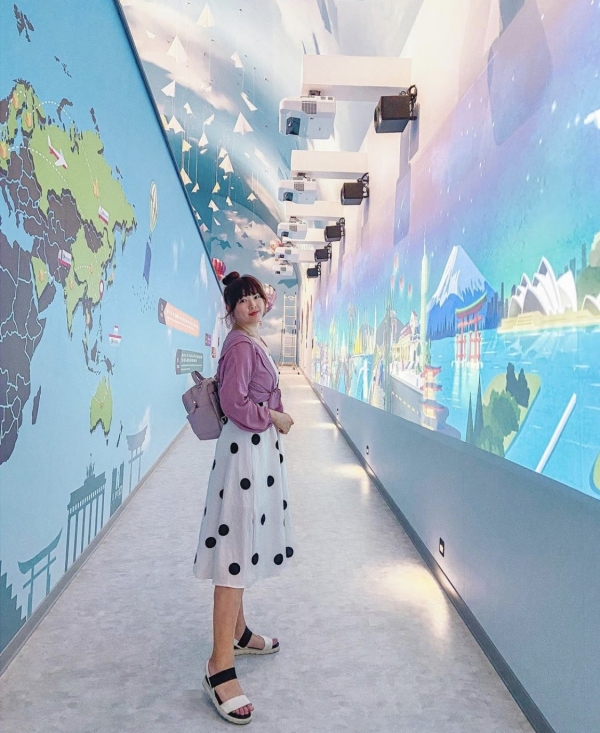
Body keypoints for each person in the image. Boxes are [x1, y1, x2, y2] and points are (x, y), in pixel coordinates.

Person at [193, 272, 295, 725]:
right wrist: (273, 416)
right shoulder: (238, 345)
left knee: (245, 541)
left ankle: (238, 632)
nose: (252, 303)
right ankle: (219, 665)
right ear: (231, 308)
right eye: (242, 299)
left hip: (256, 455)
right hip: (243, 457)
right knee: (235, 551)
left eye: (256, 296)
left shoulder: (252, 341)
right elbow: (235, 404)